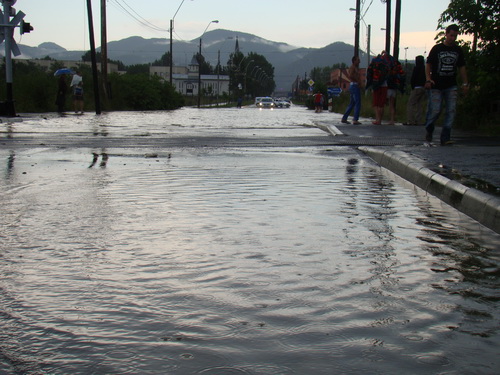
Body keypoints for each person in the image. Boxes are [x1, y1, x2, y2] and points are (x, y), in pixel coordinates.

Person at [424, 24, 468, 145]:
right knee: (435, 110)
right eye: (451, 35)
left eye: (455, 36)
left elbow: (462, 67)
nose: (453, 38)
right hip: (436, 85)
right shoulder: (437, 49)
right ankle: (429, 128)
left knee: (451, 110)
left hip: (451, 85)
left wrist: (465, 83)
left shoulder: (458, 50)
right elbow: (428, 64)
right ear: (446, 34)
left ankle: (445, 137)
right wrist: (428, 79)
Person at [366, 51, 390, 125]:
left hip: (376, 84)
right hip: (384, 85)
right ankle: (380, 120)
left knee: (376, 104)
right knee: (381, 104)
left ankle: (377, 119)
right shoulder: (386, 63)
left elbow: (369, 72)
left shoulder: (374, 62)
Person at [405, 55, 426, 125]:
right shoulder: (424, 68)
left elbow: (413, 78)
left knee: (410, 104)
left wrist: (412, 86)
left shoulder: (416, 68)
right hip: (423, 88)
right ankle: (418, 120)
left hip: (416, 88)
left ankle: (410, 120)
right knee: (420, 105)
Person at [341, 56, 362, 125]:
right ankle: (355, 119)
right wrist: (357, 80)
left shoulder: (355, 68)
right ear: (354, 61)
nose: (359, 61)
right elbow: (350, 75)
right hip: (355, 86)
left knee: (352, 103)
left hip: (353, 86)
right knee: (357, 102)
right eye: (358, 60)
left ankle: (344, 118)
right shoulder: (353, 68)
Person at [386, 57, 405, 125]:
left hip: (389, 90)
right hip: (394, 90)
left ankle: (390, 119)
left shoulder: (389, 75)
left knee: (389, 105)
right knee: (392, 105)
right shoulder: (396, 75)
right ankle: (392, 119)